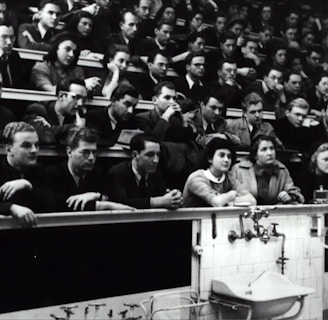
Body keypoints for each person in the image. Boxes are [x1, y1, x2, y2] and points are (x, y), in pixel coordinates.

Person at [47, 127, 134, 212]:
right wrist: (105, 205)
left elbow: (112, 197)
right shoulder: (53, 173)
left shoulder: (97, 173)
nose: (91, 158)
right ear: (69, 152)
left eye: (94, 152)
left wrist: (95, 196)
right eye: (85, 152)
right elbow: (60, 206)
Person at [105, 133, 183, 209]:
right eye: (149, 155)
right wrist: (157, 202)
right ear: (135, 155)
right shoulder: (117, 173)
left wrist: (174, 197)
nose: (156, 160)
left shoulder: (156, 173)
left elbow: (163, 197)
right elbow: (121, 203)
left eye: (158, 155)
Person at [0, 122, 54, 227]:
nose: (34, 150)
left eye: (37, 145)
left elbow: (51, 205)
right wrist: (11, 208)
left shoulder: (39, 170)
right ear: (8, 149)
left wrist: (28, 186)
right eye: (26, 146)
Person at [183, 137, 256, 207]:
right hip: (192, 218)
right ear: (210, 159)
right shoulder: (197, 178)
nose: (226, 160)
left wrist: (228, 201)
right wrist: (233, 194)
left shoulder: (229, 177)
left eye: (229, 156)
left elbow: (252, 200)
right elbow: (217, 202)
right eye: (222, 155)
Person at [231, 135, 304, 205]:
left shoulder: (282, 170)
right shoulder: (238, 170)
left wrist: (289, 196)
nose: (270, 153)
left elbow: (294, 192)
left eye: (272, 148)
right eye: (264, 149)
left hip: (273, 214)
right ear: (255, 155)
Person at [23, 78, 88, 145]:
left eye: (84, 99)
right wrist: (75, 127)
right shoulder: (37, 109)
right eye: (76, 97)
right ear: (61, 96)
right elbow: (46, 138)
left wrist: (50, 129)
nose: (80, 103)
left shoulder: (79, 114)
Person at [30, 31, 101, 93]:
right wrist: (82, 83)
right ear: (56, 49)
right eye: (67, 49)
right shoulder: (41, 68)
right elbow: (51, 90)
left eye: (74, 52)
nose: (71, 55)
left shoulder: (77, 70)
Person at [86, 82, 139, 146]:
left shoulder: (131, 120)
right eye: (127, 104)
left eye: (134, 106)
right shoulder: (94, 116)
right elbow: (95, 140)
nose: (131, 111)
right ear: (113, 100)